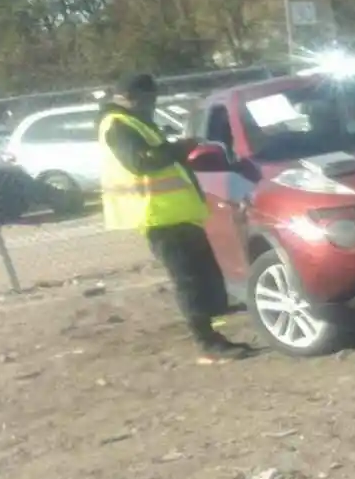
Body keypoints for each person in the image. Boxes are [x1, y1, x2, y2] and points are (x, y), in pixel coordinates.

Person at [98, 73, 249, 362]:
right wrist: (181, 148)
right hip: (158, 216)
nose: (152, 104)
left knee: (203, 275)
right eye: (149, 99)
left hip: (178, 214)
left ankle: (214, 332)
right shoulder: (117, 125)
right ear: (134, 97)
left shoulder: (135, 121)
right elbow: (142, 161)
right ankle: (207, 344)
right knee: (188, 280)